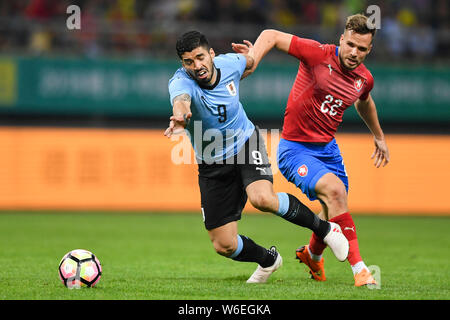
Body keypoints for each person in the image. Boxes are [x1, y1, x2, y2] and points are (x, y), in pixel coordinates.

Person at [164, 31, 349, 284]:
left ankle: (326, 229)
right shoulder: (181, 82)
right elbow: (181, 102)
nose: (197, 66)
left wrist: (250, 56)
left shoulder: (230, 63)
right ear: (183, 65)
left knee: (262, 198)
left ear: (211, 54)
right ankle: (268, 259)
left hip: (245, 142)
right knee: (224, 245)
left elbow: (249, 63)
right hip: (211, 161)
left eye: (199, 58)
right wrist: (180, 116)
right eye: (188, 62)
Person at [232, 14, 390, 287]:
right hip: (295, 150)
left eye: (362, 49)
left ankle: (313, 255)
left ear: (369, 49)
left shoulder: (364, 78)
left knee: (332, 208)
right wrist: (252, 60)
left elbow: (364, 102)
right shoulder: (317, 54)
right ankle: (361, 270)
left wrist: (378, 136)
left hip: (328, 149)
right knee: (336, 193)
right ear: (341, 38)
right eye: (350, 44)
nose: (354, 53)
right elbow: (271, 34)